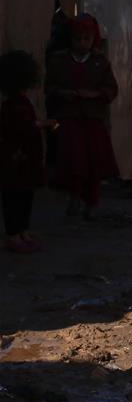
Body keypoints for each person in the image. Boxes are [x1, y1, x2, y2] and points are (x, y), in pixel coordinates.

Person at [44, 14, 119, 220]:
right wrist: (62, 93)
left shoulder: (100, 62)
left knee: (93, 163)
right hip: (69, 118)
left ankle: (91, 202)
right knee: (73, 161)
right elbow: (49, 87)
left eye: (86, 39)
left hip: (93, 119)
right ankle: (74, 198)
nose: (82, 43)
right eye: (78, 39)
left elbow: (111, 89)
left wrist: (95, 95)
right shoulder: (59, 61)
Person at [0, 51, 55, 253]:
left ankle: (22, 231)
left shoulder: (17, 102)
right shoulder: (14, 105)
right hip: (17, 160)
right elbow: (21, 128)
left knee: (23, 197)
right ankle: (14, 234)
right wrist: (43, 124)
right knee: (15, 198)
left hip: (23, 160)